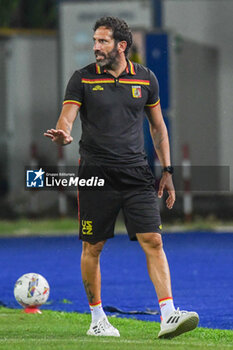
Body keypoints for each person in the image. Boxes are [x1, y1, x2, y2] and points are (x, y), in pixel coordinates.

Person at [44, 16, 199, 339]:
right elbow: (67, 116)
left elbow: (158, 128)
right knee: (93, 246)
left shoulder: (145, 79)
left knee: (153, 240)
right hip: (95, 175)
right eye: (95, 41)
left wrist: (167, 171)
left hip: (137, 173)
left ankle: (169, 314)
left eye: (103, 41)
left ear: (121, 46)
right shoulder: (82, 79)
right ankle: (97, 319)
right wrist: (64, 134)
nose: (96, 47)